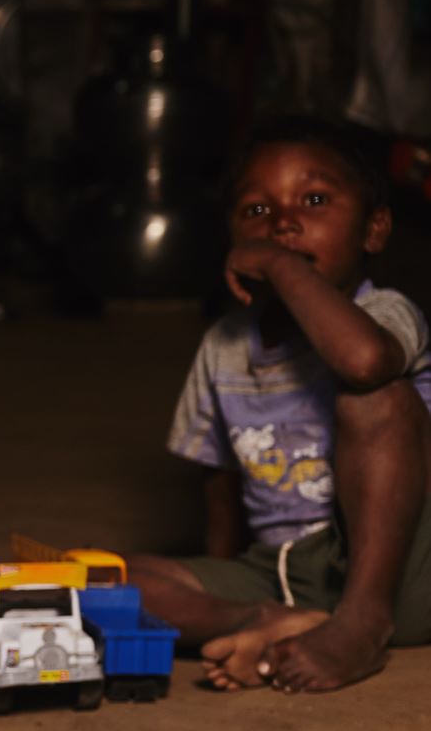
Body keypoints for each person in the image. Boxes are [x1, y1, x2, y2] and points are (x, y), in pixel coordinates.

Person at [131, 115, 431, 692]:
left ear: (374, 229)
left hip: (403, 571)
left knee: (378, 398)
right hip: (285, 574)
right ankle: (265, 625)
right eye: (257, 212)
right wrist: (216, 582)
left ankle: (363, 621)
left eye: (314, 199)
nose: (284, 222)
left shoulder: (387, 314)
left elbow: (365, 363)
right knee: (103, 579)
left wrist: (278, 261)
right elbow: (217, 486)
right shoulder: (223, 346)